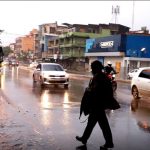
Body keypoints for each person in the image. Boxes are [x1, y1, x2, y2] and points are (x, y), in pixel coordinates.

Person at [76, 60, 114, 149]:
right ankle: (84, 139)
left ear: (96, 68)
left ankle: (109, 143)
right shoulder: (101, 76)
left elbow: (96, 91)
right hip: (98, 105)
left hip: (98, 105)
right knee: (92, 123)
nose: (91, 69)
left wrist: (88, 90)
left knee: (103, 125)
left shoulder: (99, 77)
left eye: (92, 67)